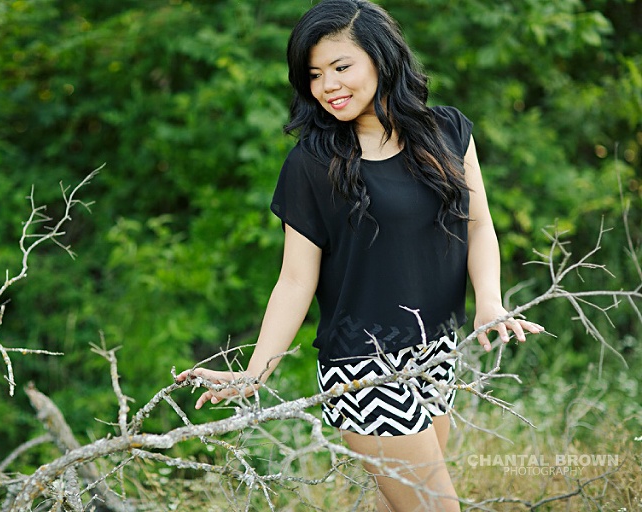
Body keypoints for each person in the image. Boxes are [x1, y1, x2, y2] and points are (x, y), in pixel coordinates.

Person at [177, 1, 545, 510]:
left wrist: (490, 302)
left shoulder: (449, 130)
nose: (327, 86)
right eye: (314, 74)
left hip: (437, 349)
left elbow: (478, 225)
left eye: (341, 67)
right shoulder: (313, 163)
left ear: (381, 58)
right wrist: (255, 372)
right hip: (362, 369)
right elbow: (294, 281)